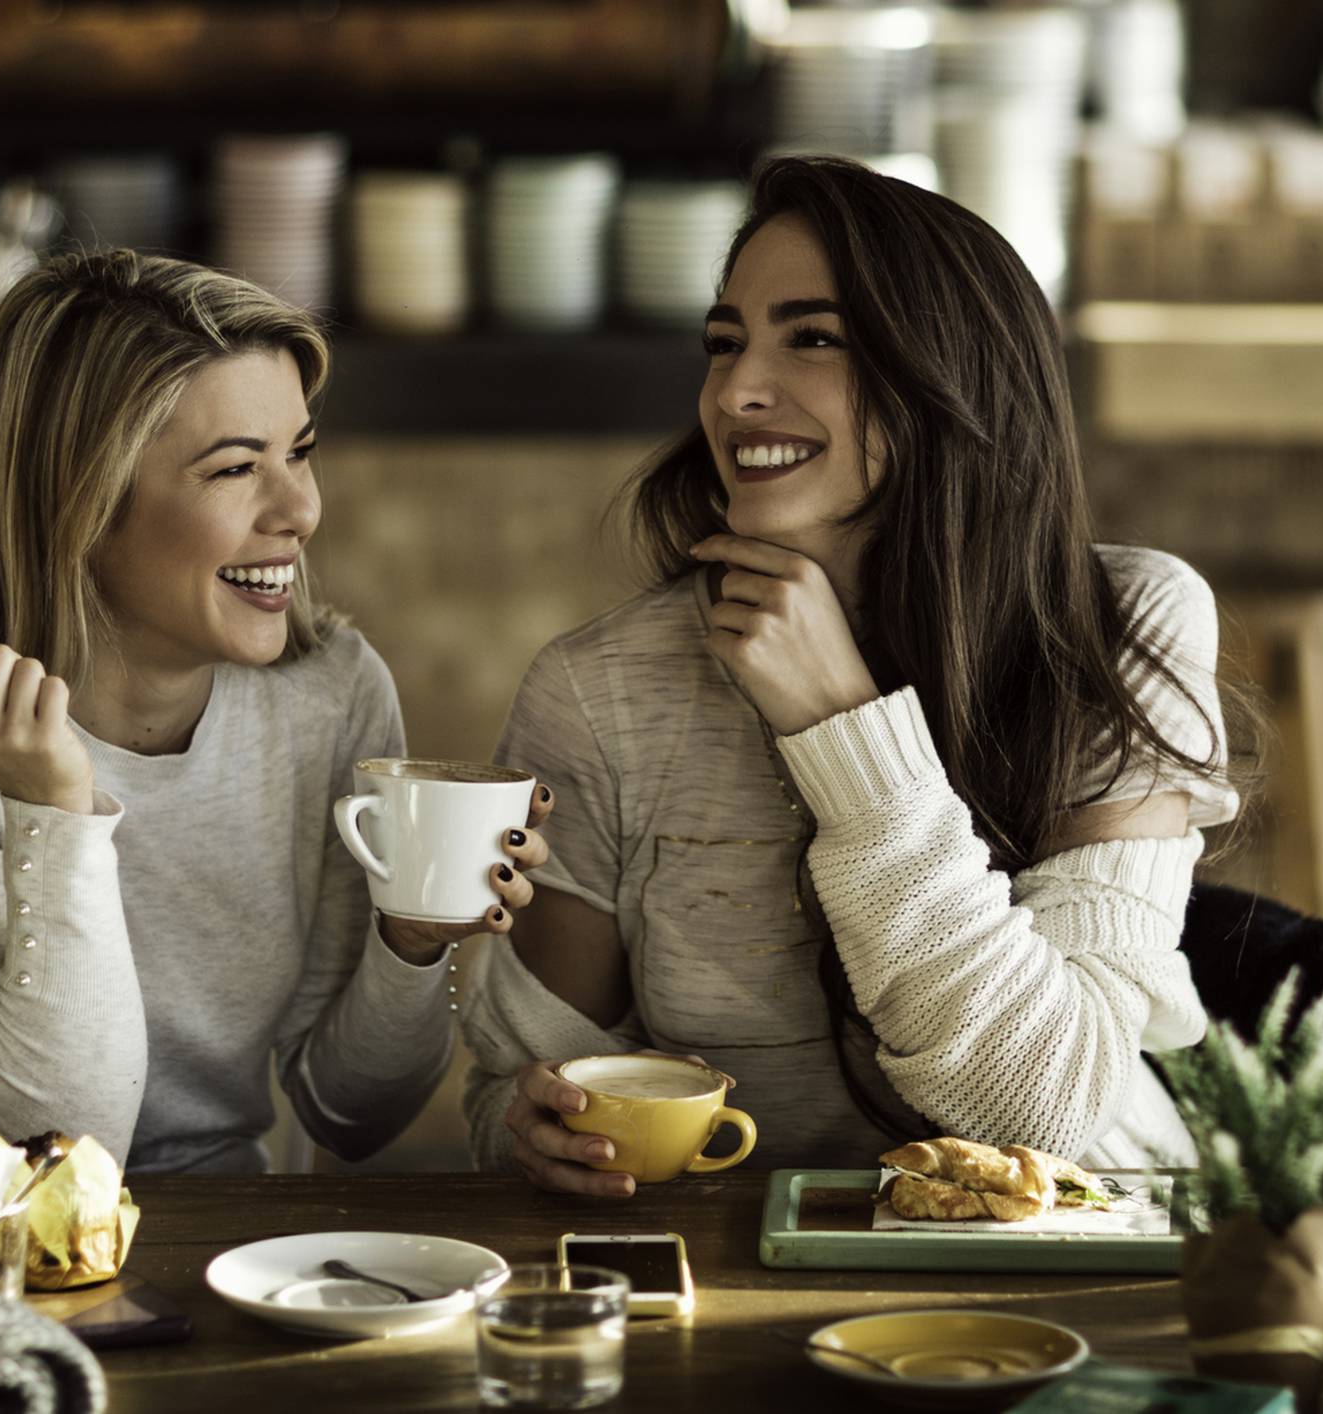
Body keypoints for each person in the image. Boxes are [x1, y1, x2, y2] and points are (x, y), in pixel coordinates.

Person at [461, 155, 1245, 1197]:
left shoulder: (1121, 627)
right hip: (736, 1277)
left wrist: (845, 727)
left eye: (814, 338)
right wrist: (532, 1129)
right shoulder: (600, 692)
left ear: (949, 376)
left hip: (1084, 1267)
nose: (736, 392)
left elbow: (1047, 1108)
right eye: (725, 343)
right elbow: (515, 1094)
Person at [0, 250, 551, 1173]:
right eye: (236, 470)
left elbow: (353, 1115)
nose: (301, 509)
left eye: (300, 452)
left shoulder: (330, 694)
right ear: (80, 501)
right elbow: (52, 1153)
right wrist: (57, 814)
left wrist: (411, 941)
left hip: (236, 1259)